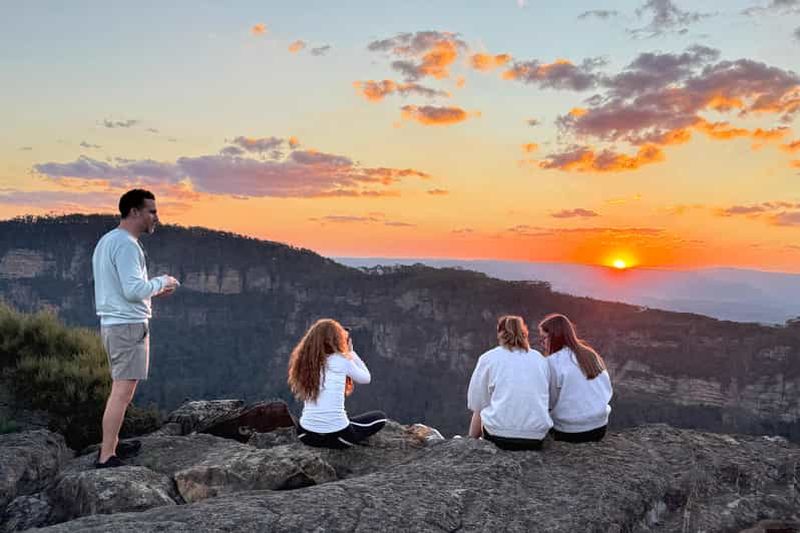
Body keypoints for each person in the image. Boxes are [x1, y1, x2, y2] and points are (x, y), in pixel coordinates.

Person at [92, 189, 179, 468]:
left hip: (114, 324)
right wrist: (162, 281)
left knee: (121, 389)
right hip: (128, 326)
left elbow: (124, 287)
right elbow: (132, 290)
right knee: (122, 392)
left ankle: (112, 445)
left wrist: (152, 291)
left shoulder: (108, 240)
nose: (156, 217)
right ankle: (107, 456)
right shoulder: (128, 244)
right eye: (151, 211)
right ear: (134, 212)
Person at [288, 319, 386, 449]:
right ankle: (337, 424)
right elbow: (366, 378)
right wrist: (351, 353)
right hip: (339, 437)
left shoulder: (304, 362)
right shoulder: (341, 360)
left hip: (306, 435)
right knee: (380, 418)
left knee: (343, 420)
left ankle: (333, 423)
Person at [467, 315, 552, 451]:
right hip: (535, 438)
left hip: (499, 436)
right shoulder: (540, 360)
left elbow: (477, 403)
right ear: (524, 333)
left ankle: (470, 441)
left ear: (500, 333)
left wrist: (470, 441)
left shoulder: (488, 358)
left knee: (482, 407)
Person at [539, 313, 612, 443]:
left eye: (544, 338)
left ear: (554, 337)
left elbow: (549, 401)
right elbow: (607, 389)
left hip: (570, 431)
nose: (542, 343)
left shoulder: (552, 362)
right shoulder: (590, 354)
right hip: (600, 427)